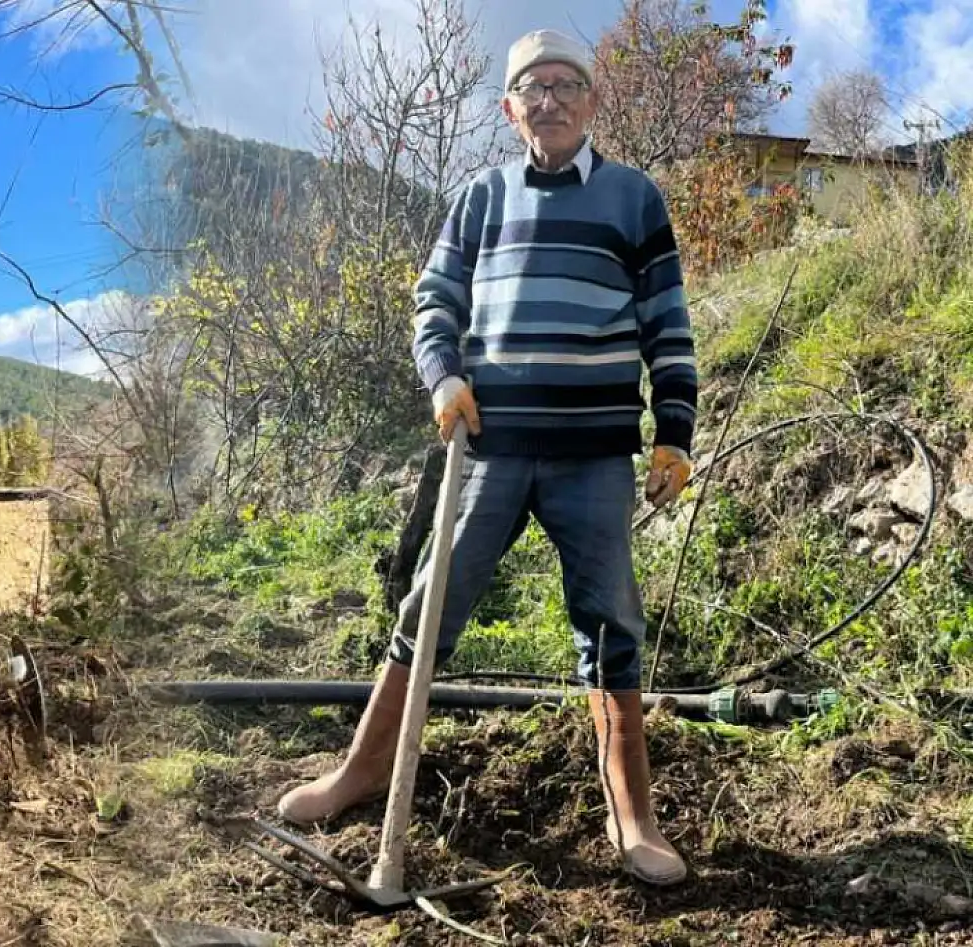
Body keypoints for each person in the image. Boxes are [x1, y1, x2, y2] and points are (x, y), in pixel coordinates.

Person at [274, 29, 697, 886]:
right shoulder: (480, 198)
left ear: (592, 99)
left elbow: (668, 325)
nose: (549, 99)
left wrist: (675, 431)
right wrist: (442, 376)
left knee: (611, 623)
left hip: (592, 457)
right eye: (531, 88)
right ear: (510, 109)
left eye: (565, 84)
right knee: (431, 602)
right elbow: (435, 299)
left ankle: (632, 815)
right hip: (491, 448)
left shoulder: (634, 199)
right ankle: (360, 772)